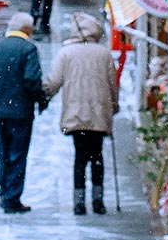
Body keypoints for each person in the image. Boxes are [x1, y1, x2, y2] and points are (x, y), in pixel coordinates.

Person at [46, 12, 120, 215]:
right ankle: (98, 200)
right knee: (97, 155)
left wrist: (43, 96)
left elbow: (54, 82)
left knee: (80, 156)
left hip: (75, 113)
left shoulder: (66, 53)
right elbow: (112, 84)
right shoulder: (103, 53)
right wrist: (114, 105)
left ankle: (79, 202)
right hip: (99, 113)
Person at [0, 11, 46, 211]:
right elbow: (32, 80)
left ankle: (3, 190)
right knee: (17, 154)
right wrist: (40, 100)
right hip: (21, 112)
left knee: (4, 152)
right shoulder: (28, 49)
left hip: (0, 112)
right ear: (28, 29)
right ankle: (12, 197)